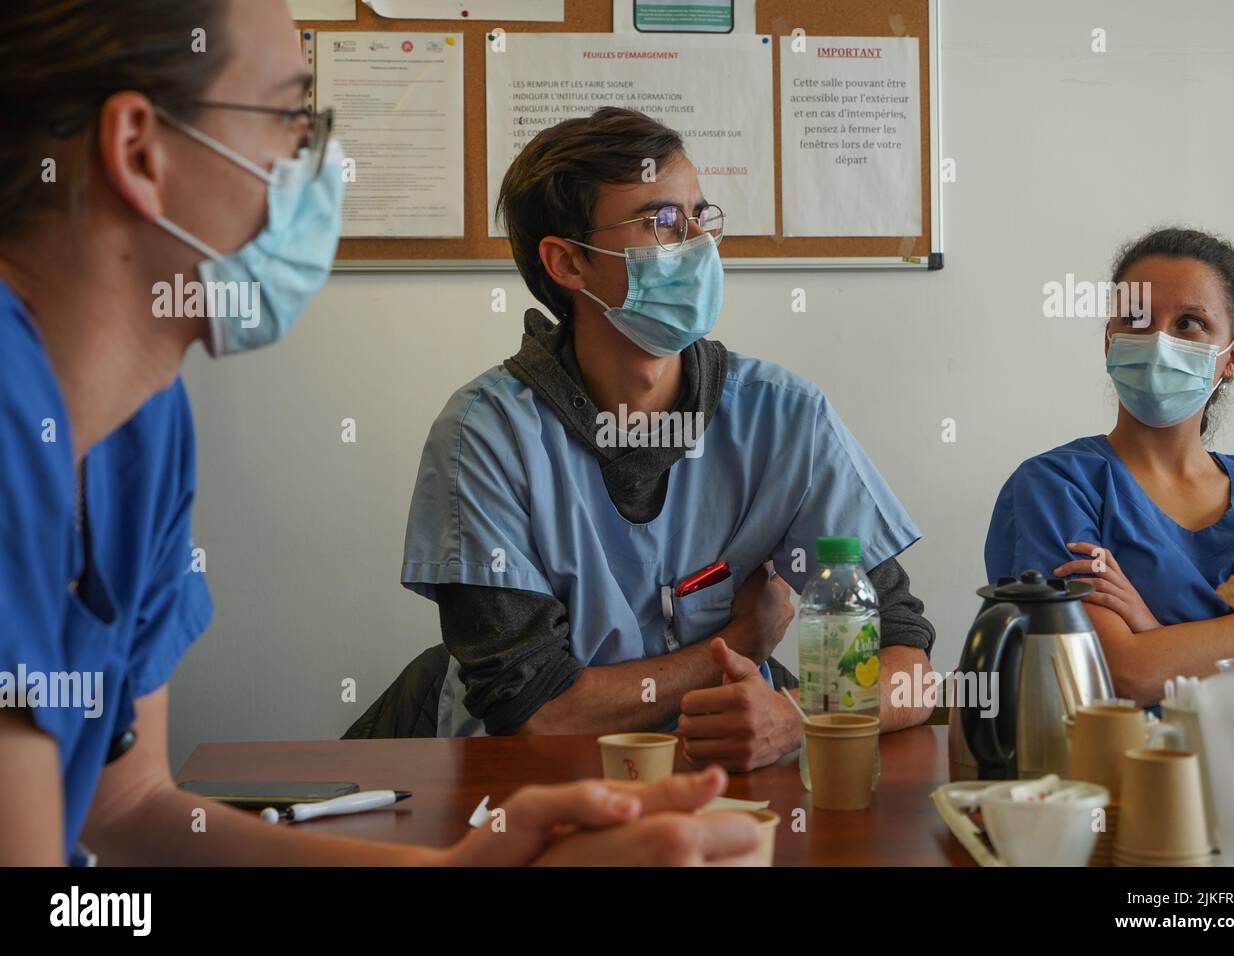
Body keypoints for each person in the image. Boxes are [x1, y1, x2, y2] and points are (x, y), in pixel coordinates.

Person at [0, 0, 764, 867]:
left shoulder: (144, 422)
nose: (320, 161)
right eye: (292, 115)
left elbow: (128, 807)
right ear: (141, 152)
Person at [399, 107, 937, 766]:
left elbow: (908, 665)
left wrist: (799, 717)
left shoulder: (782, 419)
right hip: (539, 795)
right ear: (568, 263)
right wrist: (741, 641)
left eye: (700, 217)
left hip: (730, 785)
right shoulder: (485, 437)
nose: (698, 244)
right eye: (661, 222)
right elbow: (536, 712)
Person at [985, 227, 1234, 705]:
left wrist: (1152, 634)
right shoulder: (1058, 486)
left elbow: (1147, 667)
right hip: (1124, 772)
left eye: (1190, 323)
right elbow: (1119, 674)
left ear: (1231, 357)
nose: (1157, 342)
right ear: (1110, 340)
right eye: (1136, 319)